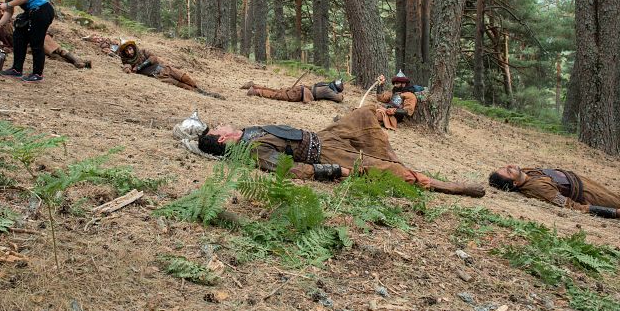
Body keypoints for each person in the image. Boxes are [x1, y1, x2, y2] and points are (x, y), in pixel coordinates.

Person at [192, 105, 485, 197]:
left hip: (323, 137)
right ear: (222, 141)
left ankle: (390, 160)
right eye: (216, 129)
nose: (219, 125)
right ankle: (438, 185)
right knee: (390, 172)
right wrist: (333, 171)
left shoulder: (247, 132)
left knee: (364, 115)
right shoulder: (253, 149)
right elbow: (290, 169)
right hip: (325, 156)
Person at [488, 165, 620, 220]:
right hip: (589, 195)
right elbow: (571, 206)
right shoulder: (538, 189)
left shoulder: (525, 172)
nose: (510, 166)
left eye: (506, 166)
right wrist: (614, 212)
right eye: (509, 171)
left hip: (584, 182)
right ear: (514, 183)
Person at [0, 2, 91, 69]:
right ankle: (76, 63)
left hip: (34, 39)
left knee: (49, 42)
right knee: (53, 54)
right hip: (25, 47)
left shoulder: (17, 20)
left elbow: (33, 26)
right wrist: (2, 48)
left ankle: (76, 60)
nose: (3, 12)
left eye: (3, 10)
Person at [117, 40, 223, 99]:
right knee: (182, 85)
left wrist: (140, 67)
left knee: (184, 77)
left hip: (164, 68)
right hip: (160, 76)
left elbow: (153, 58)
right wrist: (129, 69)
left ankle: (201, 90)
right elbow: (127, 68)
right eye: (126, 51)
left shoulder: (143, 52)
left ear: (133, 47)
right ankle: (199, 93)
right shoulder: (128, 61)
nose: (129, 52)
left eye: (130, 49)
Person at [240, 79, 345, 103]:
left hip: (301, 89)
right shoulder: (329, 91)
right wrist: (340, 94)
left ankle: (254, 85)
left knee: (277, 91)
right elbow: (339, 98)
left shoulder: (326, 84)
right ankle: (256, 91)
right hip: (300, 93)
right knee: (278, 95)